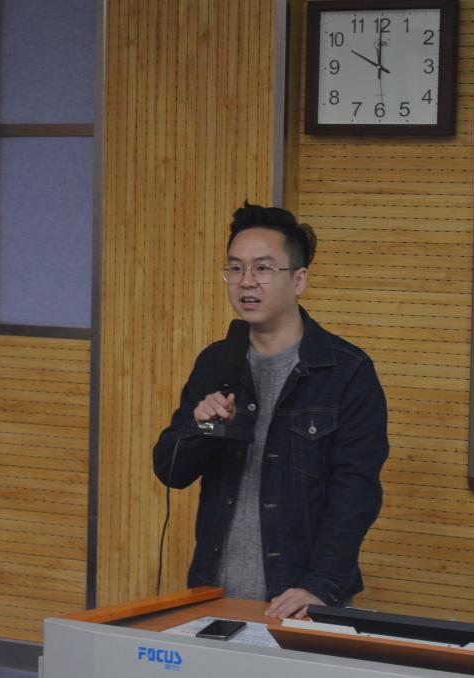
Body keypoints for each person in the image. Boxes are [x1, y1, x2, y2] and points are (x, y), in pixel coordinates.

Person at [152, 201, 389, 619]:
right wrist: (199, 427)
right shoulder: (216, 363)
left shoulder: (346, 371)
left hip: (300, 597)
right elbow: (171, 471)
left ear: (299, 280)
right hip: (213, 590)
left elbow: (356, 492)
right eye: (235, 268)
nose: (246, 281)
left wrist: (320, 586)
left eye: (263, 268)